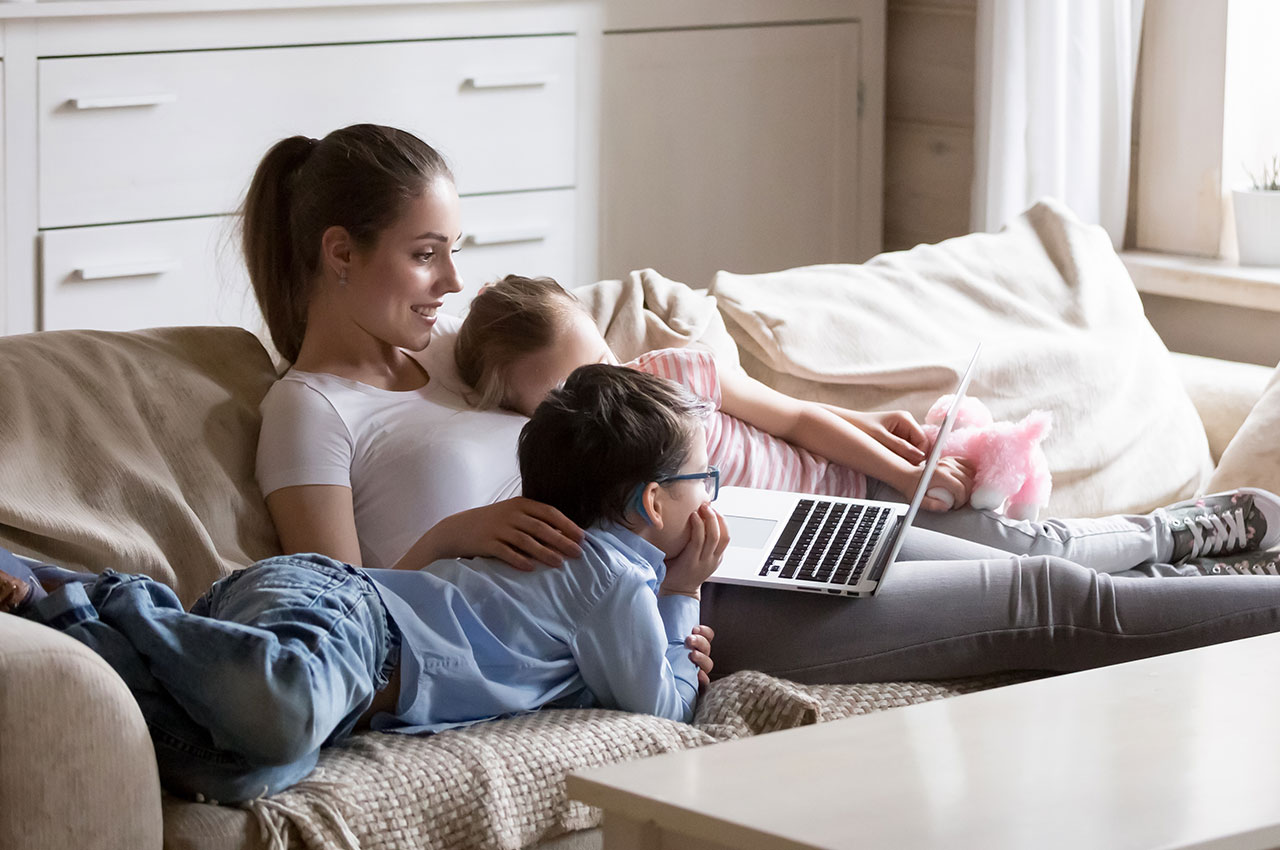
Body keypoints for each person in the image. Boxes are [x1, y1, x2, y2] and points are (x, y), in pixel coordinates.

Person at [246, 123, 1280, 703]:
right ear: (340, 254)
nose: (450, 279)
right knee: (1047, 604)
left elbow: (579, 385)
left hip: (721, 530)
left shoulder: (446, 373)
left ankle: (1175, 537)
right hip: (679, 603)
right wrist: (452, 534)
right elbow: (330, 605)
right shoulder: (309, 409)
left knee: (1014, 546)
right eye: (425, 255)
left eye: (452, 250)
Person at [0, 363, 727, 802]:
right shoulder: (614, 575)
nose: (713, 499)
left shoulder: (579, 565)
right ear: (653, 503)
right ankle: (119, 596)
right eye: (707, 481)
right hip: (345, 614)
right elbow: (661, 709)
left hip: (332, 658)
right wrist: (680, 591)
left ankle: (55, 607)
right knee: (283, 708)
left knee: (243, 773)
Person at [452, 273, 1280, 577]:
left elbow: (800, 417)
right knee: (1017, 573)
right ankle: (1160, 562)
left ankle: (1178, 536)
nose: (605, 390)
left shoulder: (676, 370)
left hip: (861, 492)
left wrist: (898, 466)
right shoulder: (573, 468)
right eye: (561, 393)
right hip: (787, 548)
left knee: (1032, 549)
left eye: (598, 362)